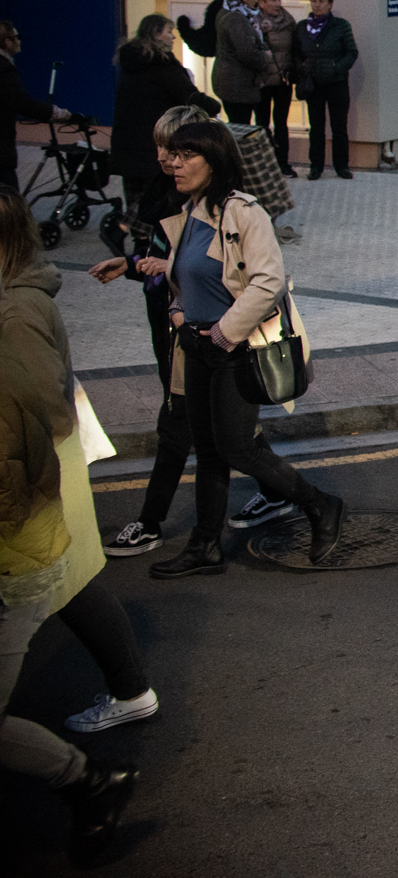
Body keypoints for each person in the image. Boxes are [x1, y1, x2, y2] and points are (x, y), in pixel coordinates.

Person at [0, 189, 142, 865]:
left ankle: (93, 774)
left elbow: (41, 414)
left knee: (73, 581)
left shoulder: (16, 312)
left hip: (24, 522)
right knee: (77, 583)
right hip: (28, 520)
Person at [143, 121, 346, 576]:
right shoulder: (189, 212)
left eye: (186, 156)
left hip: (233, 349)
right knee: (208, 450)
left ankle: (321, 504)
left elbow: (269, 281)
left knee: (238, 448)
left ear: (214, 161)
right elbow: (185, 278)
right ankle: (204, 546)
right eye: (174, 155)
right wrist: (178, 313)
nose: (174, 164)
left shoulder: (244, 213)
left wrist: (223, 332)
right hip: (196, 346)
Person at [90, 105, 213, 556]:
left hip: (192, 328)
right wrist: (129, 265)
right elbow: (159, 257)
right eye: (161, 147)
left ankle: (151, 522)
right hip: (165, 321)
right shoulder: (166, 192)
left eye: (175, 150)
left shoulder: (208, 204)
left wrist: (168, 269)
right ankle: (287, 496)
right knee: (225, 433)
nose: (164, 158)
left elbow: (211, 270)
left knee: (178, 422)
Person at [110, 16, 219, 203]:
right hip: (154, 144)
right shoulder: (162, 64)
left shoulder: (130, 63)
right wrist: (213, 106)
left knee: (136, 197)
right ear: (156, 34)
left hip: (128, 144)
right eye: (169, 32)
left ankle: (133, 222)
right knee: (158, 200)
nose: (173, 37)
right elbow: (188, 95)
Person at [294, 0, 357, 180]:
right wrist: (303, 69)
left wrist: (336, 68)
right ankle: (316, 166)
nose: (317, 5)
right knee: (316, 127)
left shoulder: (341, 26)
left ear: (330, 4)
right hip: (313, 84)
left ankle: (341, 166)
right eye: (314, 1)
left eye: (321, 1)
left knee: (339, 127)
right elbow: (296, 53)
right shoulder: (302, 27)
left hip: (336, 83)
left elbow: (351, 52)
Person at [0, 20, 70, 192]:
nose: (19, 41)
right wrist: (55, 113)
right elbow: (21, 102)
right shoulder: (4, 69)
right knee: (9, 197)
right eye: (17, 37)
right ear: (7, 41)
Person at [209, 0, 271, 126]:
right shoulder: (236, 18)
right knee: (241, 126)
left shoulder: (230, 12)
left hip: (232, 82)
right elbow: (248, 53)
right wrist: (266, 57)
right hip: (237, 85)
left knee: (238, 123)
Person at [253, 0, 298, 176]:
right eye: (273, 0)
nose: (278, 3)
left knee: (281, 124)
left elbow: (295, 49)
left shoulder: (289, 21)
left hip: (283, 81)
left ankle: (282, 163)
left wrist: (293, 71)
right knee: (262, 124)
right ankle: (264, 164)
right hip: (262, 82)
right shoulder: (253, 22)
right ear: (261, 3)